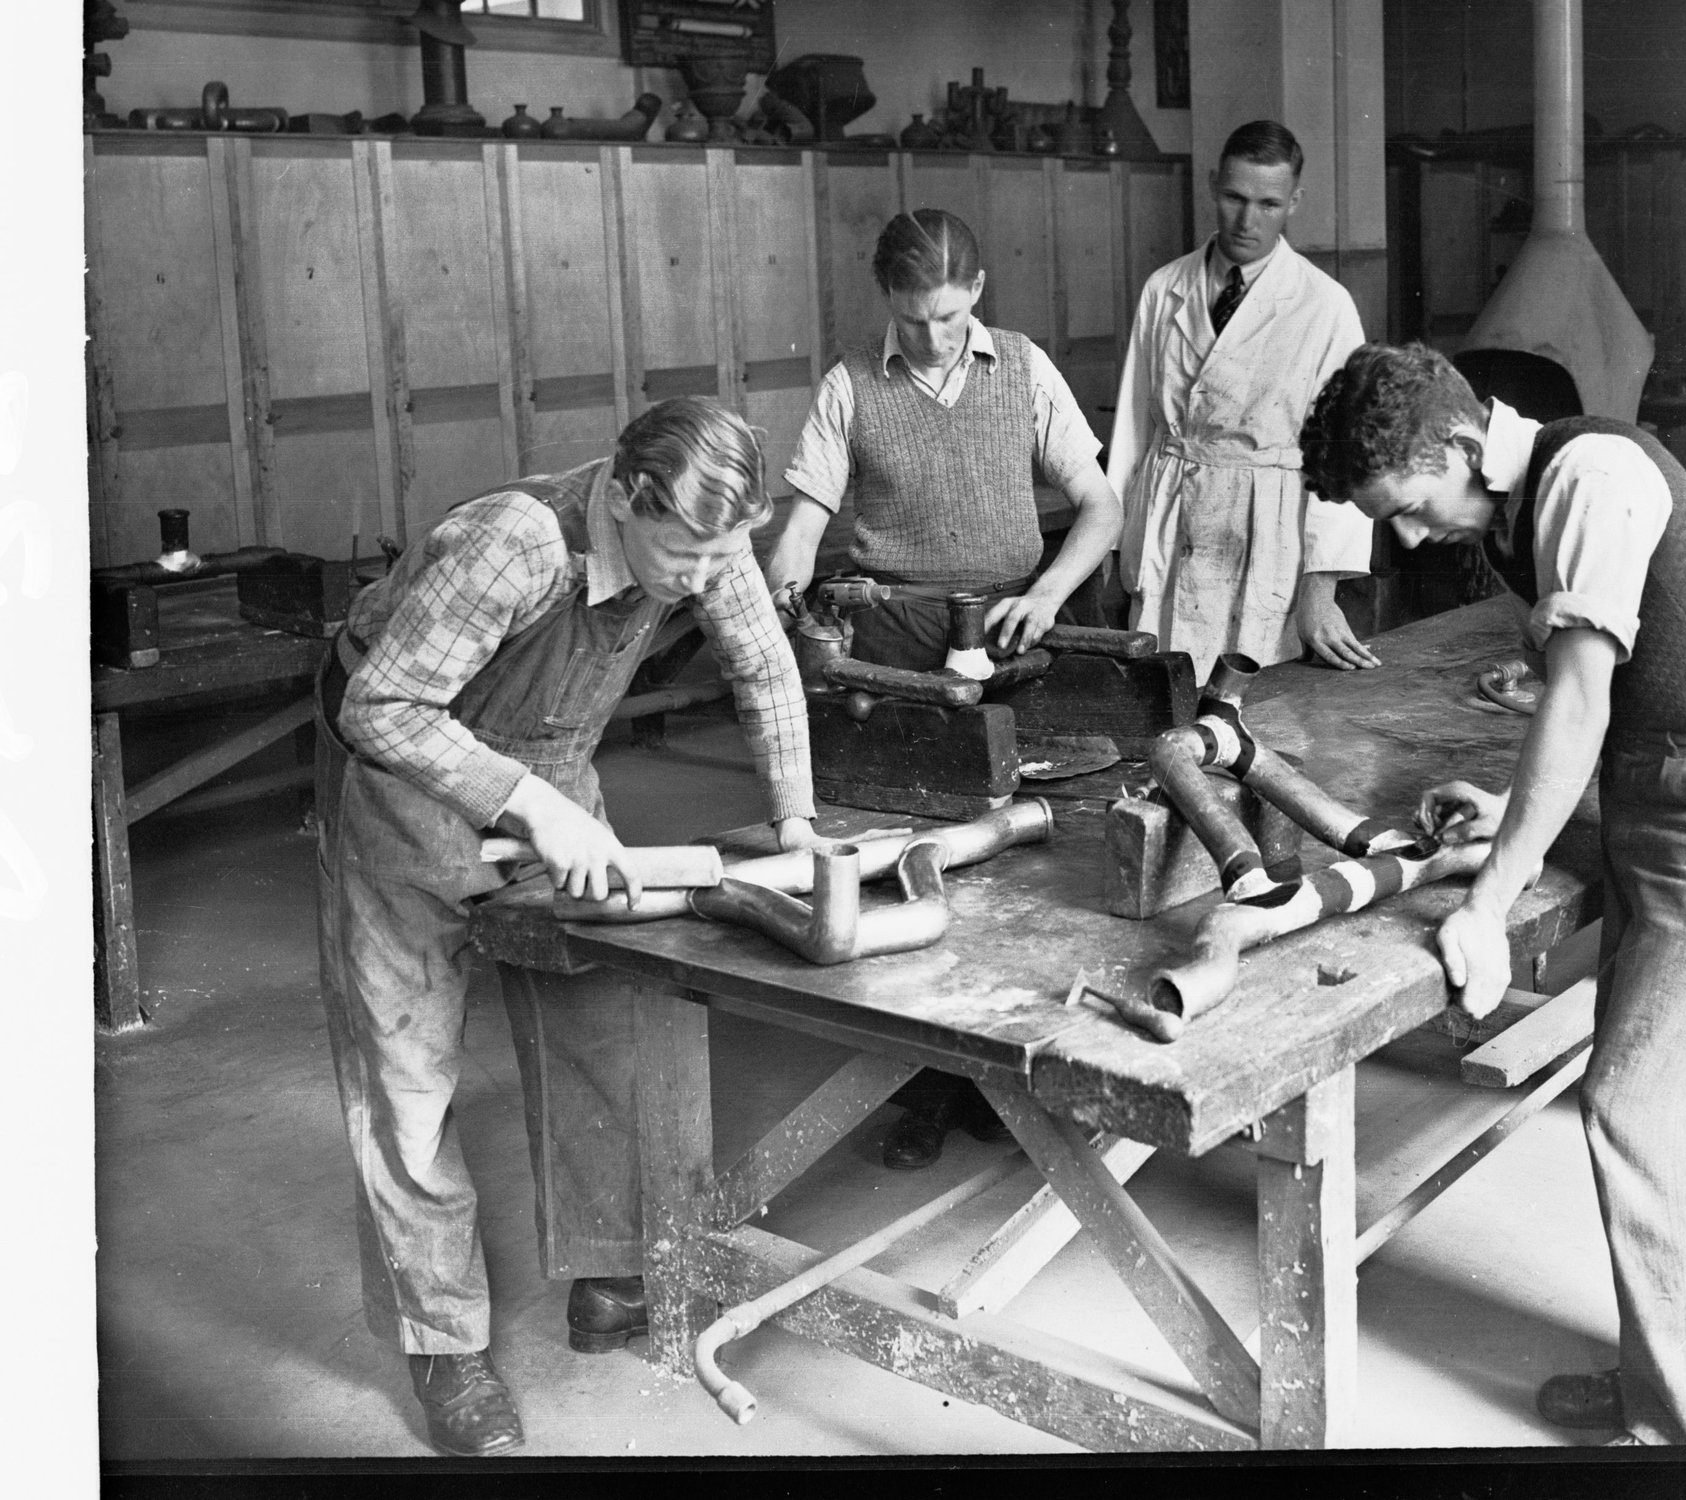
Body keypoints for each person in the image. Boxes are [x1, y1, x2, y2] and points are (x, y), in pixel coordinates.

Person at [1301, 343, 1686, 1446]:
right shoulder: (1521, 499)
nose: (1401, 536)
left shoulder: (1587, 476)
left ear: (1451, 446)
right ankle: (1659, 1383)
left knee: (1652, 1122)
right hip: (1669, 771)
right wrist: (1512, 809)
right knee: (1655, 1105)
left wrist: (1489, 898)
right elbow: (1596, 702)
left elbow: (1579, 703)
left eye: (1403, 506)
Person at [317, 397, 818, 1457]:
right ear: (625, 502)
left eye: (724, 552)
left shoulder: (705, 541)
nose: (699, 576)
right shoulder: (512, 544)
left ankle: (608, 1273)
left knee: (601, 1024)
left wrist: (797, 821)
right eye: (682, 551)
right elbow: (382, 710)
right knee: (408, 1078)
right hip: (405, 787)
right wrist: (532, 806)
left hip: (549, 776)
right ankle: (443, 1347)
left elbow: (763, 667)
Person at [766, 207, 1123, 1172]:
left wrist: (1048, 593)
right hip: (898, 641)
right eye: (915, 319)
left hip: (1013, 632)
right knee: (911, 859)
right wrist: (782, 611)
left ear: (976, 296)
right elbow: (803, 522)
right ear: (887, 299)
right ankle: (922, 1085)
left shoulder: (1022, 367)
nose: (933, 337)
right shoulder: (850, 385)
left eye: (950, 316)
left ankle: (1015, 1079)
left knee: (1025, 864)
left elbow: (1099, 504)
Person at [1107, 118, 1379, 683]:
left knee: (1251, 710)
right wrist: (1109, 549)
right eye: (1233, 197)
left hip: (1267, 528)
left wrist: (1321, 590)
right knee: (1159, 692)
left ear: (1294, 201)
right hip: (1170, 515)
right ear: (1213, 184)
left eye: (1268, 203)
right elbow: (1133, 430)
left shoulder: (1324, 305)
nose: (1247, 220)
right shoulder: (1165, 288)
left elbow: (1343, 459)